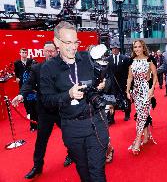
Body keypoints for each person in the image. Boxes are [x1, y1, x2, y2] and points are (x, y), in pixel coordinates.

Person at [40, 21, 109, 182]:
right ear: (57, 42)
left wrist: (103, 85)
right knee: (83, 170)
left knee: (97, 171)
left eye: (76, 42)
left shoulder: (87, 58)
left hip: (97, 124)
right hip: (72, 128)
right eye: (68, 42)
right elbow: (46, 101)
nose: (73, 47)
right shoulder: (48, 68)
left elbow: (108, 79)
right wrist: (68, 94)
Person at [12, 41, 73, 179]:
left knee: (68, 135)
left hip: (61, 109)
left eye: (52, 51)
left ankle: (71, 154)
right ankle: (37, 167)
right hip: (44, 111)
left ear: (57, 51)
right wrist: (21, 94)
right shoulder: (37, 68)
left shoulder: (65, 67)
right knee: (41, 140)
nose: (50, 53)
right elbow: (28, 84)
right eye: (47, 51)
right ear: (43, 52)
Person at [126, 40, 157, 155]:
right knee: (141, 114)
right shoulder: (132, 61)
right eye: (135, 47)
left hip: (146, 91)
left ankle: (138, 140)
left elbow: (155, 76)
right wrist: (128, 90)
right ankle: (147, 135)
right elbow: (129, 77)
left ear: (143, 48)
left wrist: (152, 88)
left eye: (139, 47)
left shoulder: (149, 60)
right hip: (136, 91)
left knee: (141, 116)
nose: (137, 49)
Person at [105, 42, 131, 123]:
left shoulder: (125, 58)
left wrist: (129, 85)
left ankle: (127, 114)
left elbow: (128, 72)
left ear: (119, 49)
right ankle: (111, 118)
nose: (115, 50)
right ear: (111, 50)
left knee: (126, 99)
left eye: (116, 48)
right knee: (111, 100)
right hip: (112, 85)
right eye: (113, 48)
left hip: (123, 83)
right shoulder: (107, 60)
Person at [14, 48, 35, 119]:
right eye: (23, 52)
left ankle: (32, 112)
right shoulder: (17, 62)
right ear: (20, 53)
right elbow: (16, 72)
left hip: (30, 81)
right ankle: (28, 112)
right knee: (24, 96)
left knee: (31, 96)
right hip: (22, 82)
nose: (24, 54)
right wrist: (17, 77)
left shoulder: (31, 61)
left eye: (26, 52)